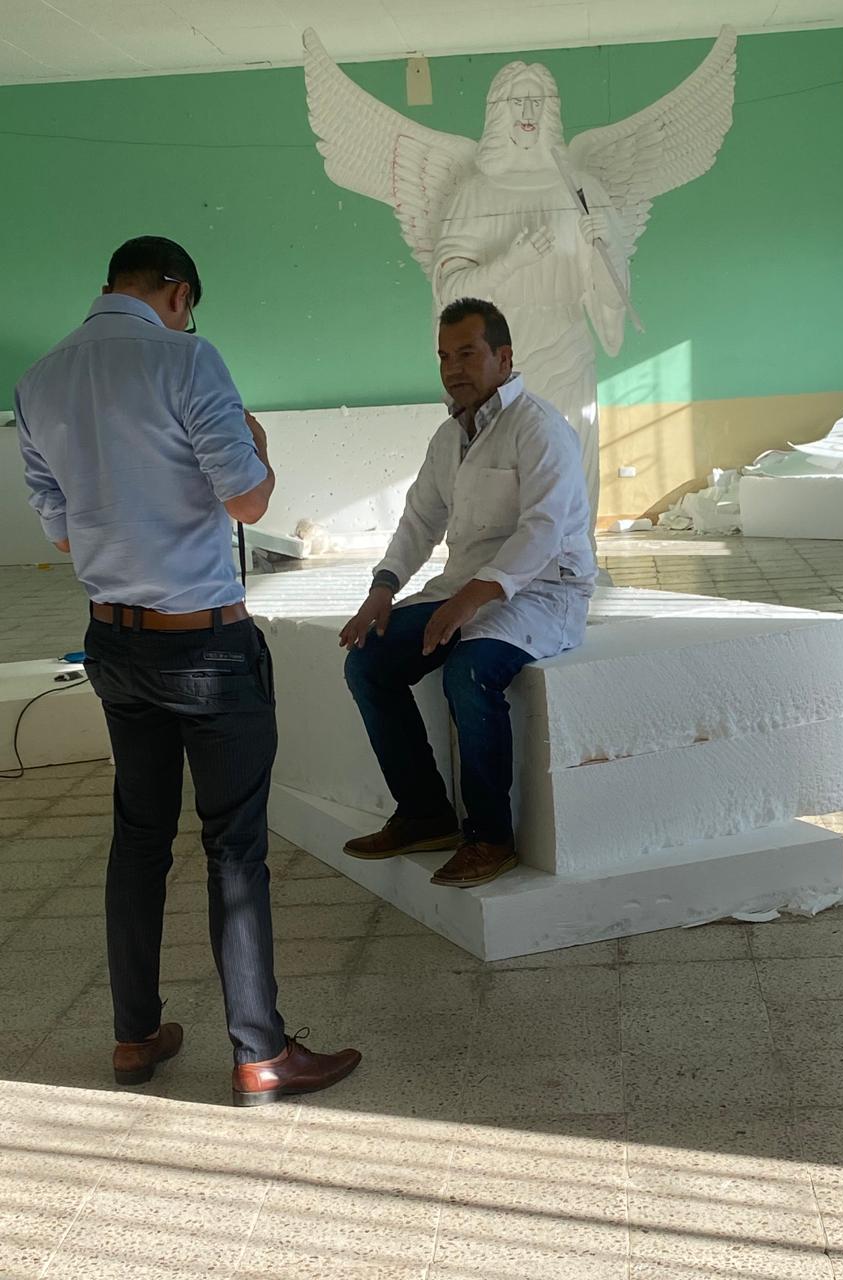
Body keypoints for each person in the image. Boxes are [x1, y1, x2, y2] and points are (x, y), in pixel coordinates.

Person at [15, 235, 360, 1106]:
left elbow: (62, 533)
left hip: (114, 645)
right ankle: (260, 1055)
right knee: (234, 847)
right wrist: (260, 448)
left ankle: (135, 1036)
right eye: (188, 309)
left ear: (110, 286)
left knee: (137, 838)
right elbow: (247, 498)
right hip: (204, 645)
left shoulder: (40, 381)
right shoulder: (188, 360)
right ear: (177, 294)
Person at [340, 297, 596, 888]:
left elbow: (543, 531)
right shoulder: (448, 436)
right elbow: (419, 520)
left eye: (467, 354)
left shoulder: (539, 427)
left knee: (470, 671)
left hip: (543, 593)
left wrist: (471, 599)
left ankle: (490, 837)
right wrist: (383, 587)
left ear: (503, 358)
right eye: (443, 357)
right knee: (369, 661)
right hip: (464, 589)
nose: (453, 369)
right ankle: (425, 814)